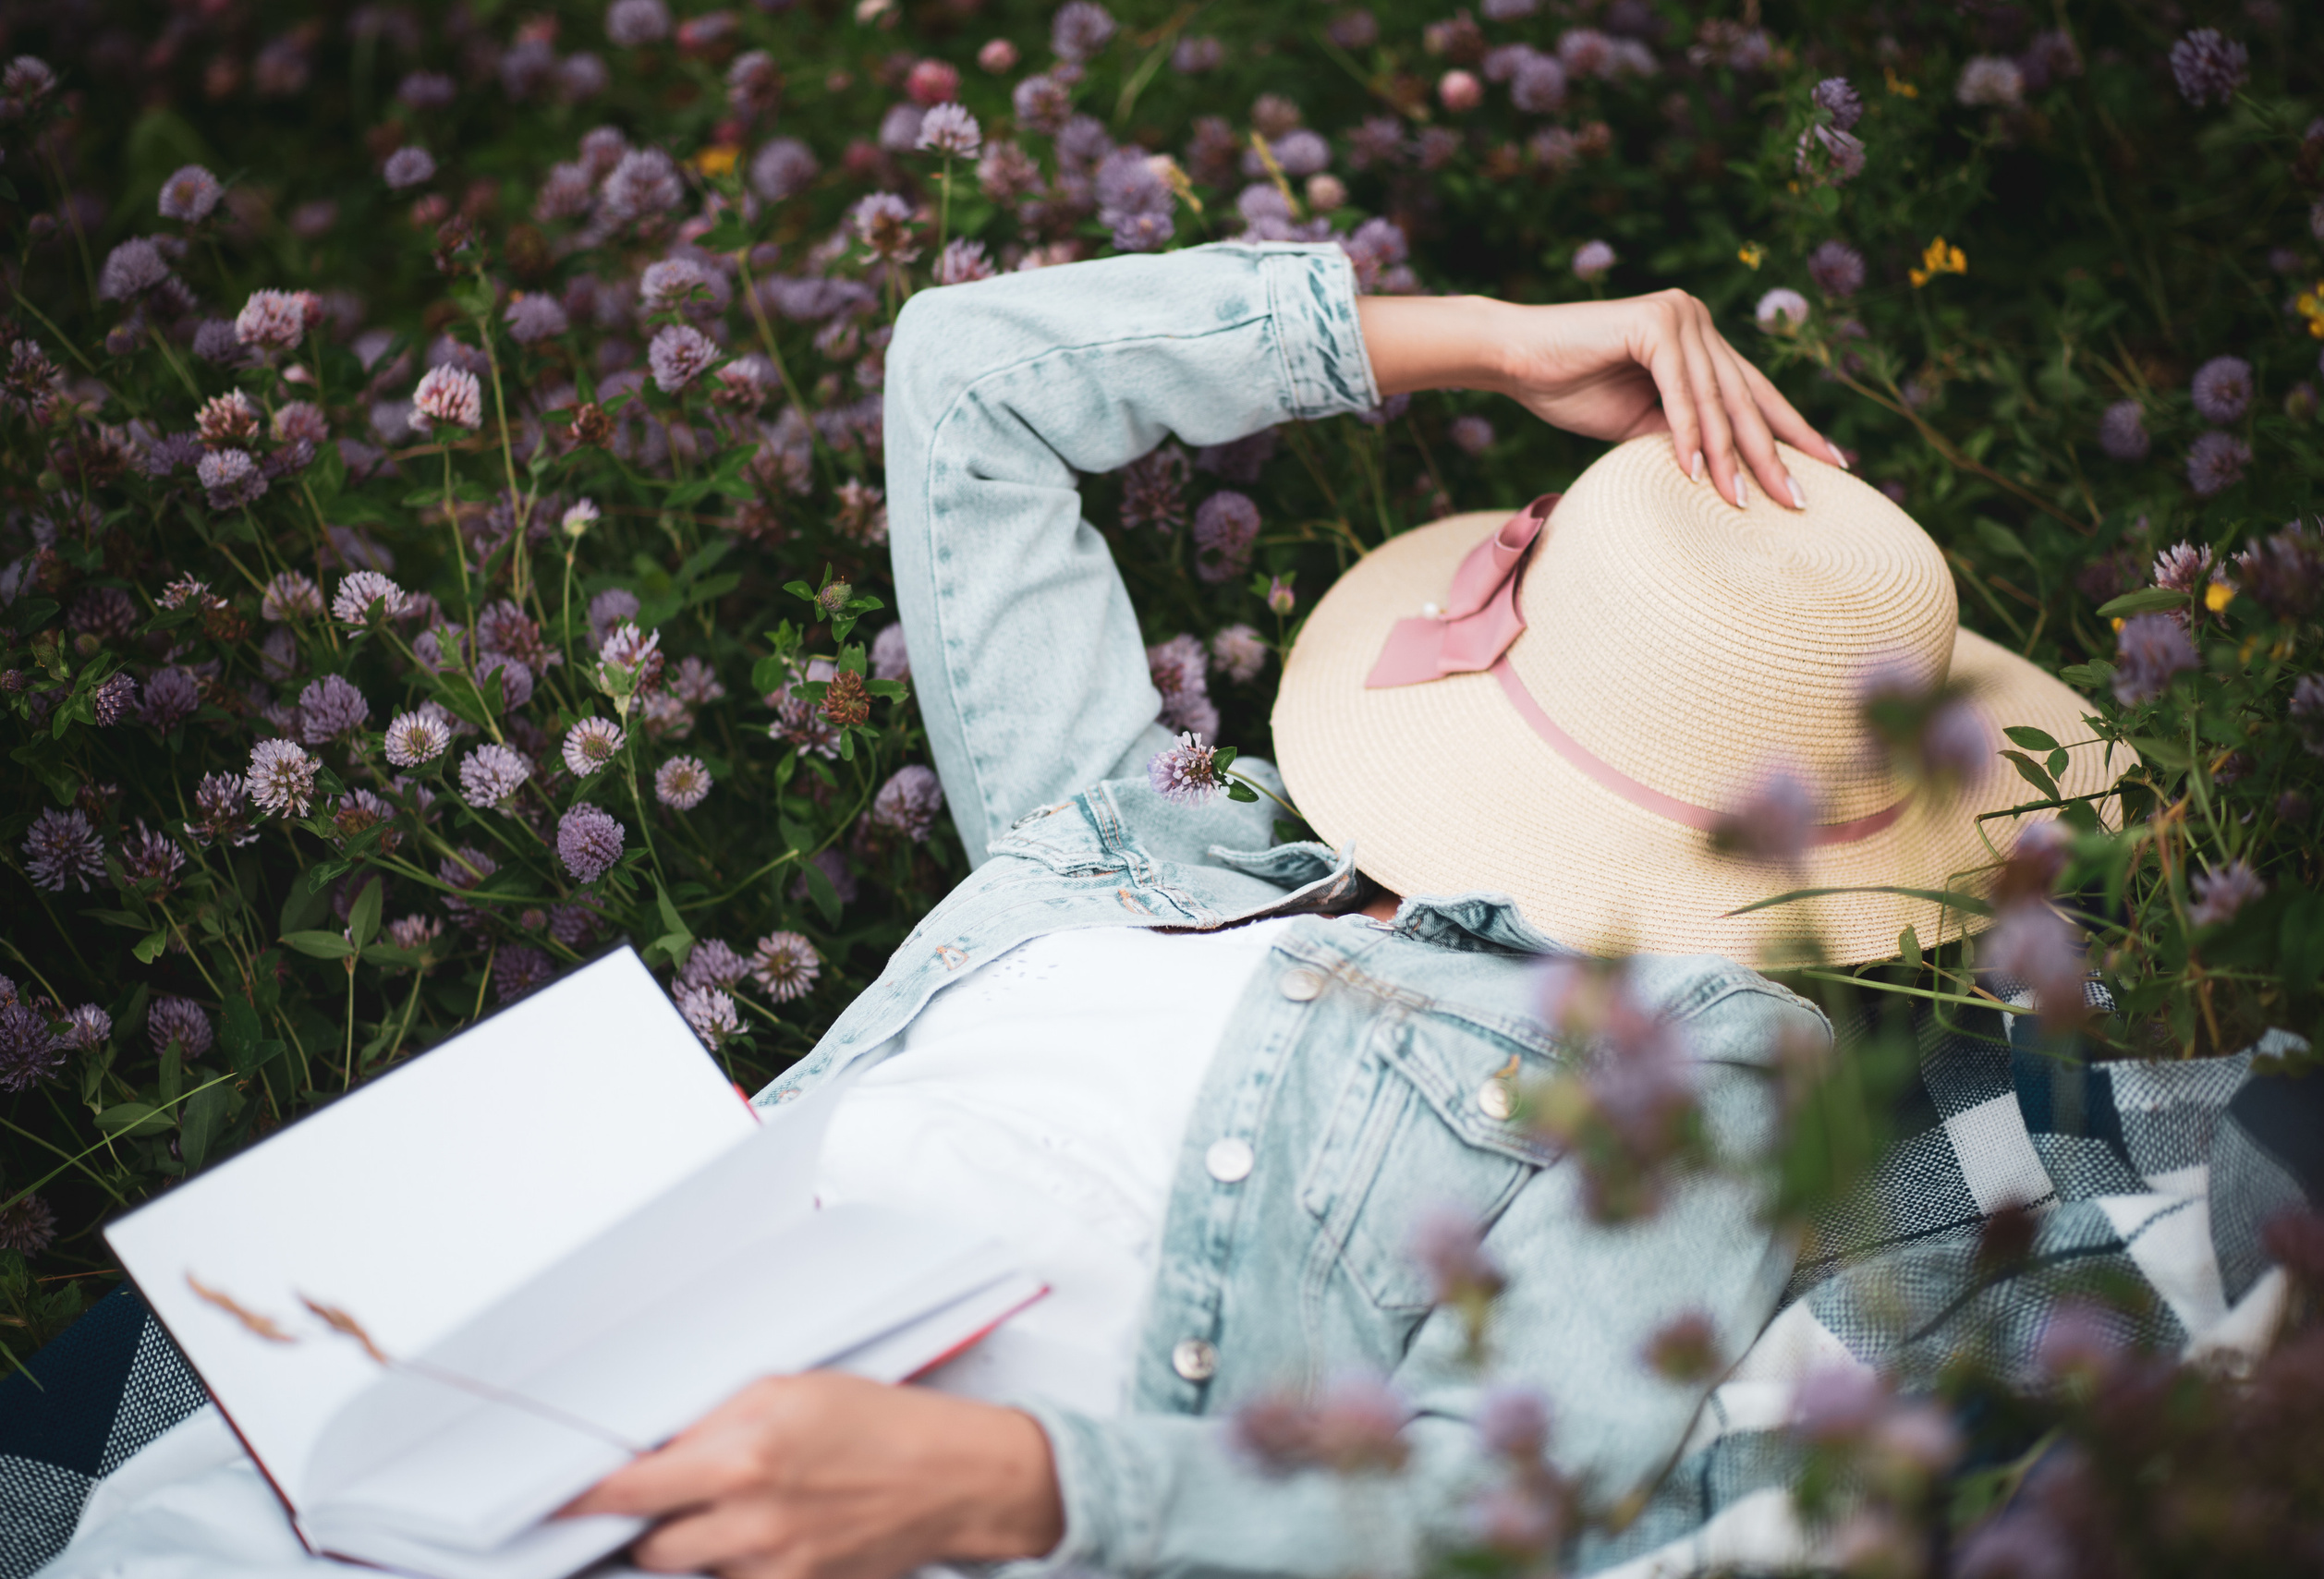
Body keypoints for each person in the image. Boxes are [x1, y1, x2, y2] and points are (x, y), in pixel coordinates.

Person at [42, 241, 2105, 1579]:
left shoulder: (1706, 1055)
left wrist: (1018, 1494)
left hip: (943, 1509)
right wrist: (1472, 338)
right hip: (523, 1376)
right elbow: (969, 377)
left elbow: (1525, 1490)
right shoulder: (1135, 830)